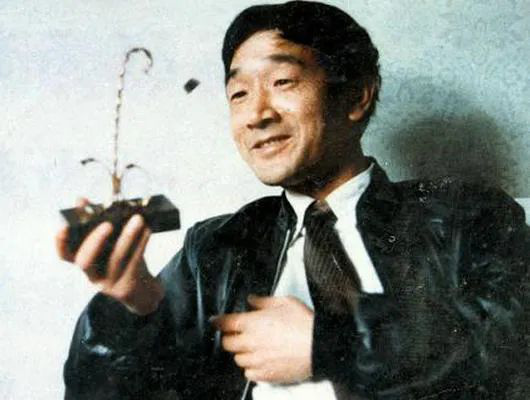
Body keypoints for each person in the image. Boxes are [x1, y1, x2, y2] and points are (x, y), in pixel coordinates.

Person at [56, 1, 529, 399]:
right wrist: (131, 310)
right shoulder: (216, 249)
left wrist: (333, 346)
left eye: (282, 82)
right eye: (239, 93)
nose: (256, 114)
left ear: (356, 97)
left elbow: (512, 345)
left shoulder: (465, 215)